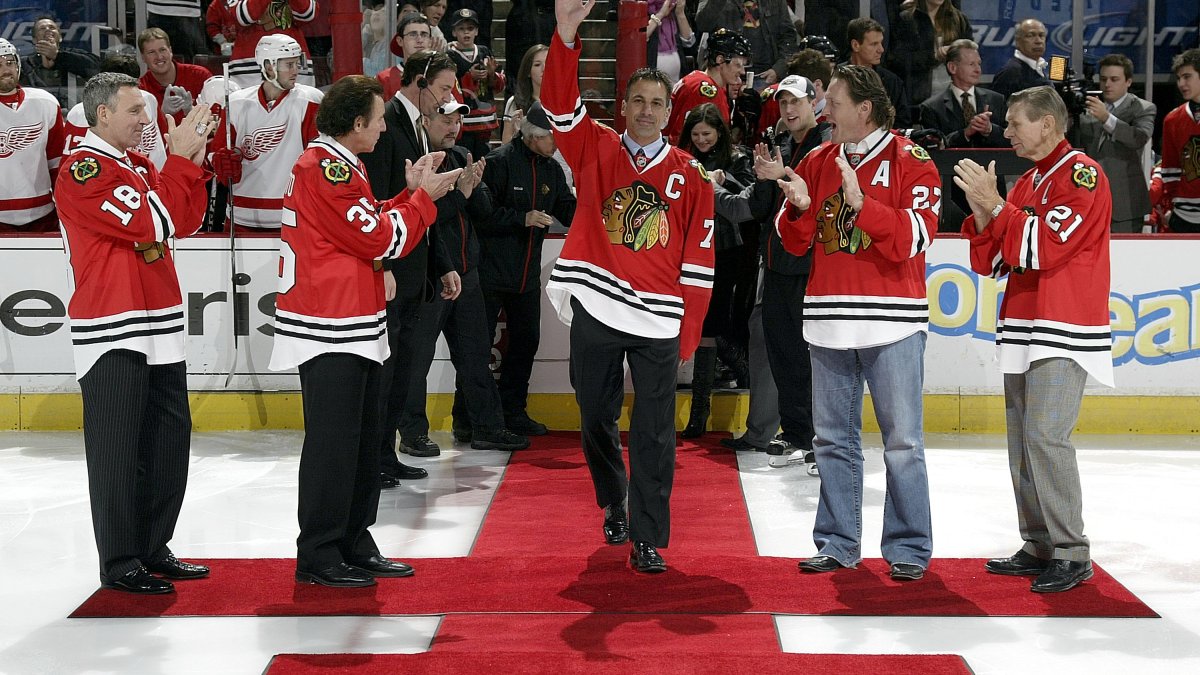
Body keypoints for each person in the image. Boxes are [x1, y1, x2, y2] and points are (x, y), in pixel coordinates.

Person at [268, 74, 461, 588]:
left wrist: (411, 194)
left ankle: (353, 541)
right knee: (334, 446)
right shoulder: (323, 168)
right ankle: (320, 552)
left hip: (352, 323)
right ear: (356, 123)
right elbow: (378, 239)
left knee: (359, 443)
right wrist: (422, 201)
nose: (382, 129)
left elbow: (368, 220)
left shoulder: (338, 164)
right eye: (377, 120)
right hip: (329, 326)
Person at [543, 0, 716, 574]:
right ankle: (613, 497)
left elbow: (699, 264)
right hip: (597, 300)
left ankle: (647, 535)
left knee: (655, 431)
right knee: (594, 412)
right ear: (624, 107)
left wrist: (689, 333)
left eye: (656, 103)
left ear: (669, 112)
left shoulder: (691, 176)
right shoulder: (595, 146)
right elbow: (559, 106)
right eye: (637, 101)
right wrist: (566, 37)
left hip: (660, 316)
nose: (646, 111)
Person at [775, 64, 937, 580]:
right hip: (829, 321)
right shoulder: (818, 159)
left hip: (893, 324)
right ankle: (838, 542)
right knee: (830, 441)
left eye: (835, 103)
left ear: (865, 108)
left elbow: (916, 238)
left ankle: (908, 548)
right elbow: (794, 242)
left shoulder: (912, 160)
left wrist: (863, 205)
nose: (826, 111)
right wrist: (798, 207)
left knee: (903, 443)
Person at [55, 72, 215, 594]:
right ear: (102, 114)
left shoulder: (140, 166)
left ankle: (152, 544)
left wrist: (189, 164)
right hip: (112, 327)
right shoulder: (83, 170)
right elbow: (150, 224)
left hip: (160, 323)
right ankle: (120, 559)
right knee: (118, 451)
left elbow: (185, 221)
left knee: (168, 443)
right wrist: (181, 161)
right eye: (135, 111)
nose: (145, 120)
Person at [954, 85, 1113, 594]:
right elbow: (993, 262)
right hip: (1024, 326)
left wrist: (996, 206)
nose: (1007, 132)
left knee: (1045, 436)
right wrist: (985, 211)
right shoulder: (1028, 181)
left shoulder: (1082, 175)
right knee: (1024, 441)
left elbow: (1045, 245)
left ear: (1047, 123)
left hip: (1063, 328)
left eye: (1014, 122)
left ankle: (1071, 551)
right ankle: (1039, 542)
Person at [400, 102, 530, 452]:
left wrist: (473, 187)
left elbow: (483, 210)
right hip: (431, 277)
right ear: (426, 121)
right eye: (446, 120)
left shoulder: (461, 156)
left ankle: (485, 426)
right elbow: (425, 216)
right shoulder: (416, 164)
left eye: (458, 120)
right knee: (417, 361)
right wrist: (462, 194)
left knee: (475, 355)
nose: (454, 127)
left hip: (468, 274)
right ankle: (412, 433)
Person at [713, 75, 825, 474]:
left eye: (796, 101)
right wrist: (763, 179)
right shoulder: (783, 144)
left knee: (809, 356)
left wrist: (780, 175)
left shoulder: (826, 144)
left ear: (814, 101)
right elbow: (760, 207)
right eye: (784, 103)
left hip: (811, 266)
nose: (789, 109)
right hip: (776, 262)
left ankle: (819, 436)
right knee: (782, 351)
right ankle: (795, 432)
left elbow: (818, 199)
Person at [360, 50, 459, 464]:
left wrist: (442, 264)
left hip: (414, 273)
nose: (448, 98)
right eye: (443, 89)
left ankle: (387, 456)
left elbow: (420, 206)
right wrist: (381, 265)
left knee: (402, 371)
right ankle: (376, 459)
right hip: (392, 274)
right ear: (419, 82)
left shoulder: (417, 125)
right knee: (386, 373)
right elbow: (375, 203)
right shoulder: (386, 125)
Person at [472, 102, 577, 435]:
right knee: (477, 349)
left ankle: (513, 411)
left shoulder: (552, 170)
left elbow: (568, 209)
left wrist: (597, 212)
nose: (557, 144)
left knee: (526, 342)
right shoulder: (498, 162)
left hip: (526, 277)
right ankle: (469, 418)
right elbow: (481, 215)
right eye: (552, 138)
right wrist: (522, 218)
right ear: (533, 136)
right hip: (490, 274)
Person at [676, 103, 754, 438]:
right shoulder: (681, 158)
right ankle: (732, 372)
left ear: (719, 132)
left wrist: (725, 179)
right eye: (695, 134)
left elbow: (752, 199)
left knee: (712, 325)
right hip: (689, 250)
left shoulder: (737, 159)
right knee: (700, 323)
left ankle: (700, 412)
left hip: (727, 252)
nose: (701, 140)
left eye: (706, 133)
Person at [209, 35, 322, 230]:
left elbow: (320, 158)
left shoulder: (310, 101)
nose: (296, 70)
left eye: (296, 64)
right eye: (289, 65)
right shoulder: (237, 103)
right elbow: (215, 154)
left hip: (292, 216)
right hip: (241, 215)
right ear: (269, 67)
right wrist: (221, 162)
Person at [1075, 54, 1156, 233]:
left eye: (1114, 79)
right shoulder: (1086, 109)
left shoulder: (1143, 108)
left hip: (1125, 203)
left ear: (1128, 81)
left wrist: (1106, 118)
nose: (1107, 84)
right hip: (1089, 201)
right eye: (1103, 79)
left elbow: (1138, 138)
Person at [0, 38, 65, 233]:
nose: (6, 69)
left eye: (9, 62)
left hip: (42, 215)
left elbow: (57, 163)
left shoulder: (45, 103)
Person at [64, 53, 168, 170]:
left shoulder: (148, 99)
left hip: (149, 174)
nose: (145, 120)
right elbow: (70, 161)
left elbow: (164, 140)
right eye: (134, 111)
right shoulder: (79, 112)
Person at [664, 28, 750, 143]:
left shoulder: (696, 79)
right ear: (720, 60)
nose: (743, 71)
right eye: (738, 65)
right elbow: (682, 138)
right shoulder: (707, 93)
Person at [919, 39, 1007, 148]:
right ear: (952, 67)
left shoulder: (997, 100)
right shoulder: (932, 108)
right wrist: (965, 133)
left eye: (979, 64)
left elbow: (1011, 140)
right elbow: (932, 147)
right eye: (971, 64)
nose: (978, 70)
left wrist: (990, 129)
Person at [889, 0, 971, 108]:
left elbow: (970, 56)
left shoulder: (959, 19)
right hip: (919, 98)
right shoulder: (907, 19)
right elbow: (899, 60)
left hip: (953, 97)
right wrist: (934, 56)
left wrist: (956, 52)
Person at [696, 0, 798, 86]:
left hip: (765, 75)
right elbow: (702, 25)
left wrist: (778, 70)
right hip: (725, 77)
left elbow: (788, 36)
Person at [226, 0, 317, 88]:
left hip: (294, 63)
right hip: (248, 69)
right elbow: (241, 16)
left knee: (299, 97)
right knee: (248, 98)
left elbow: (308, 13)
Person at [18, 15, 100, 110]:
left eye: (52, 27)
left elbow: (96, 68)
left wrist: (57, 55)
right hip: (36, 111)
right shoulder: (25, 63)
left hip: (70, 111)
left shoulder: (74, 55)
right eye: (42, 28)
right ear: (34, 40)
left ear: (60, 37)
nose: (48, 30)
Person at [842, 17, 910, 128]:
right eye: (874, 44)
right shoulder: (836, 78)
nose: (881, 49)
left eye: (881, 43)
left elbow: (902, 124)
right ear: (855, 45)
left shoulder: (892, 82)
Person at [1161, 48, 1200, 233]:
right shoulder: (1172, 119)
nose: (1181, 83)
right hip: (1183, 216)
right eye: (1178, 78)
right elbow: (1170, 169)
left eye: (1187, 77)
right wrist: (1169, 208)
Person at [138, 28, 212, 124]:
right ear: (143, 57)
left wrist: (191, 112)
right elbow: (142, 130)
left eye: (162, 50)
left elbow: (217, 122)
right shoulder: (140, 89)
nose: (159, 56)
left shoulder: (200, 76)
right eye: (151, 52)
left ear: (170, 51)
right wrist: (162, 115)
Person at [377, 13, 433, 100]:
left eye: (424, 35)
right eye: (413, 34)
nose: (419, 40)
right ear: (400, 41)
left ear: (430, 41)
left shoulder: (443, 75)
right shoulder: (385, 79)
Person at [990, 19, 1049, 101]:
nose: (1038, 41)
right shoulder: (1010, 72)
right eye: (1030, 35)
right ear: (1018, 41)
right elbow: (997, 106)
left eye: (1041, 35)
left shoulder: (1039, 67)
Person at [502, 44, 548, 143]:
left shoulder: (566, 102)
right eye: (537, 65)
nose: (544, 68)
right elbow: (505, 146)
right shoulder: (515, 102)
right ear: (528, 71)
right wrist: (516, 134)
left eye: (548, 63)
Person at [645, 0, 696, 84]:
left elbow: (689, 42)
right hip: (649, 81)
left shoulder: (672, 7)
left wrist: (680, 13)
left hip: (676, 80)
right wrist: (661, 14)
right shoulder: (639, 5)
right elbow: (637, 39)